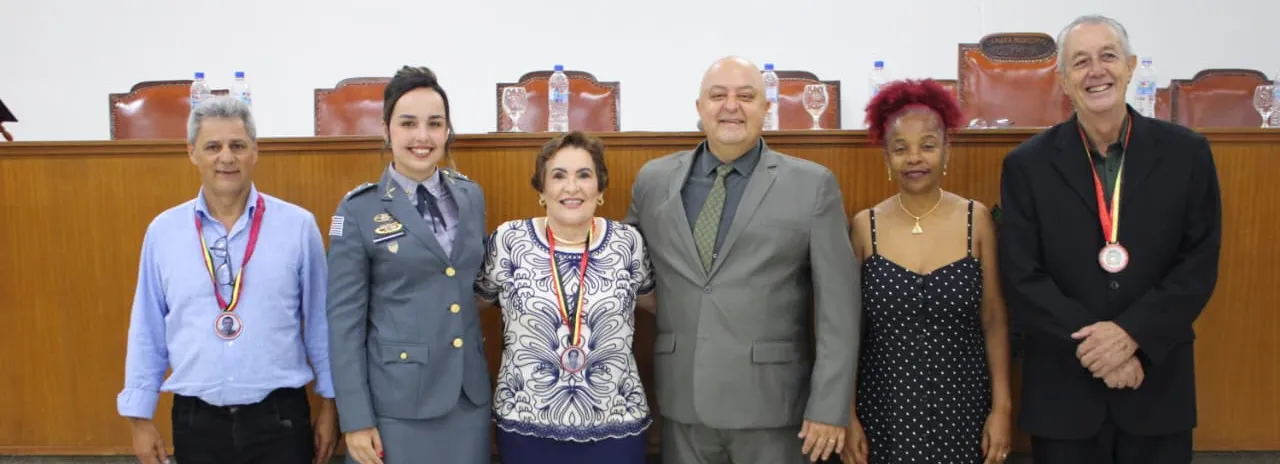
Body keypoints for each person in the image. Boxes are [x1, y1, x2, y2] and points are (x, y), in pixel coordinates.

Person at [999, 15, 1222, 464]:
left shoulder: (1188, 154)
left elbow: (1197, 264)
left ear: (1131, 65)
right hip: (1065, 394)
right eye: (1080, 62)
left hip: (1157, 384)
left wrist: (1132, 335)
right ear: (1063, 80)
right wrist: (1104, 350)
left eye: (1108, 56)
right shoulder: (1026, 166)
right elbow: (1022, 276)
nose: (1096, 71)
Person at [624, 56, 861, 464]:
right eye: (718, 95)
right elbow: (620, 265)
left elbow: (838, 310)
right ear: (699, 107)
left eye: (745, 96)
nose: (730, 106)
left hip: (773, 408)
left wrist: (829, 405)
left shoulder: (812, 185)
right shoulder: (653, 180)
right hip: (683, 405)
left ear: (766, 109)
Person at [117, 95, 338, 464]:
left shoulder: (298, 227)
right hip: (196, 421)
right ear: (192, 153)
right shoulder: (163, 232)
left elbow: (320, 323)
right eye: (212, 147)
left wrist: (330, 405)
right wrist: (140, 419)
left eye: (237, 145)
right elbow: (147, 329)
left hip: (279, 420)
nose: (226, 157)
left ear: (255, 151)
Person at [842, 79, 1012, 464]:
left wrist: (1001, 410)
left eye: (928, 145)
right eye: (900, 148)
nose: (914, 157)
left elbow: (994, 320)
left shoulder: (977, 219)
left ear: (947, 151)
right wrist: (846, 413)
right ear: (886, 157)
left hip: (963, 410)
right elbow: (849, 331)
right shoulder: (863, 227)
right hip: (883, 411)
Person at [327, 65, 491, 464]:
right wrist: (355, 419)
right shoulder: (358, 210)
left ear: (448, 130)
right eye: (408, 123)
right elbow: (344, 325)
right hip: (395, 406)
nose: (423, 136)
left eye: (435, 124)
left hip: (467, 401)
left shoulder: (471, 197)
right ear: (386, 130)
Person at [475, 131, 658, 464]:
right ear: (542, 189)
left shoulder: (628, 243)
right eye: (558, 176)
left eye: (584, 175)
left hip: (617, 423)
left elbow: (658, 304)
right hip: (526, 424)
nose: (571, 187)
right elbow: (471, 305)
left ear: (600, 189)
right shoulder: (508, 240)